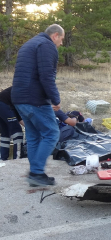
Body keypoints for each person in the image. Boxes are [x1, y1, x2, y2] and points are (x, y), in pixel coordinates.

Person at [11, 24, 65, 187]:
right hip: (34, 98)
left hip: (19, 97)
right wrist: (55, 99)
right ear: (55, 35)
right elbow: (47, 76)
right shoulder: (46, 45)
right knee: (52, 133)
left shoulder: (30, 43)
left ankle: (36, 174)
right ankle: (36, 173)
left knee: (34, 136)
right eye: (61, 39)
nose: (61, 44)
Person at [0, 87, 24, 160]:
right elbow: (17, 109)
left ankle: (3, 158)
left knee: (5, 133)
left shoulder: (18, 87)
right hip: (4, 105)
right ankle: (18, 157)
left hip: (2, 105)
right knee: (17, 132)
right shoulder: (25, 90)